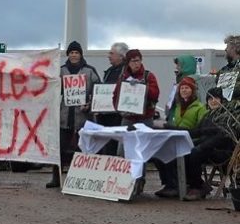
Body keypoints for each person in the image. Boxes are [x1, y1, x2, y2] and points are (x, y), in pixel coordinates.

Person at [47, 41, 101, 188]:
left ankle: (80, 178)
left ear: (81, 54)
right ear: (68, 54)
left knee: (82, 149)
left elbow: (98, 92)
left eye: (76, 52)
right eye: (71, 52)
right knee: (60, 148)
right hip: (65, 116)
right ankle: (56, 177)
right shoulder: (61, 70)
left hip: (83, 117)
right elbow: (52, 89)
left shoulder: (90, 71)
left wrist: (89, 105)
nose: (74, 55)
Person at [112, 49, 159, 194]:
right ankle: (122, 181)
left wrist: (140, 88)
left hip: (145, 119)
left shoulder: (148, 76)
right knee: (122, 150)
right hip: (127, 119)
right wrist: (119, 109)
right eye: (133, 61)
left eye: (138, 60)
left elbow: (155, 94)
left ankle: (139, 181)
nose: (137, 63)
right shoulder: (123, 77)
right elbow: (116, 95)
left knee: (141, 152)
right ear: (128, 62)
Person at [152, 76, 207, 198]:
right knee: (159, 152)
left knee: (178, 154)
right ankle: (170, 184)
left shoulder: (200, 108)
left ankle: (189, 185)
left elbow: (201, 129)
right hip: (176, 140)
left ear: (193, 90)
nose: (184, 90)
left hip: (191, 140)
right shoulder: (176, 107)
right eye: (182, 88)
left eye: (187, 88)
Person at [182, 87, 235, 200]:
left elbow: (222, 137)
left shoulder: (226, 116)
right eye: (210, 99)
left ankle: (197, 187)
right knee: (184, 150)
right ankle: (197, 184)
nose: (213, 101)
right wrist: (179, 133)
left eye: (216, 98)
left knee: (195, 152)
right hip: (208, 149)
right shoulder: (207, 116)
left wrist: (201, 145)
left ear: (221, 100)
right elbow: (198, 132)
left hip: (222, 152)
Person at [95, 42, 128, 156]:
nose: (108, 56)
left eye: (111, 53)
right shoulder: (109, 71)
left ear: (121, 56)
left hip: (117, 117)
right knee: (107, 148)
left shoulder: (126, 72)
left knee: (115, 148)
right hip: (105, 115)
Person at [166, 55, 198, 123]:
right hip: (176, 119)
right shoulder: (181, 81)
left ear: (186, 67)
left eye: (179, 65)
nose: (176, 67)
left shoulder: (191, 81)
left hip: (184, 121)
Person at [216, 35, 240, 100]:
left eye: (227, 47)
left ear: (235, 48)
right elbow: (220, 90)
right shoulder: (225, 69)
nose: (225, 49)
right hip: (225, 107)